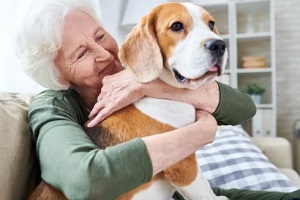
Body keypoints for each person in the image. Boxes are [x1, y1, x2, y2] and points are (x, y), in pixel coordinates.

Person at [15, 0, 299, 200]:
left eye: (100, 36)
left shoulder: (146, 71)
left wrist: (146, 86)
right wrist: (200, 133)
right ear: (59, 75)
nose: (103, 54)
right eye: (81, 54)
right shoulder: (52, 106)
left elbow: (244, 109)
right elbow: (86, 180)